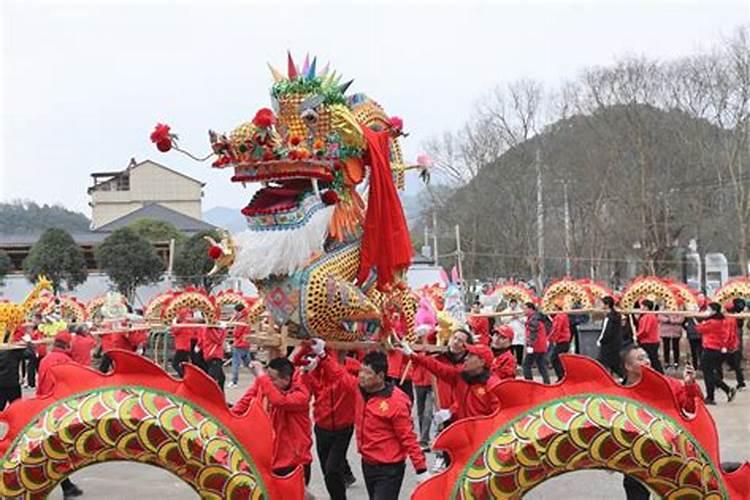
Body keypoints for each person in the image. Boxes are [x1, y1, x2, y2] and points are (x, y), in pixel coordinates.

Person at [314, 345, 427, 500]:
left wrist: (421, 469)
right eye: (361, 371)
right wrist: (322, 354)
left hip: (389, 469)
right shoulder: (359, 390)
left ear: (380, 376)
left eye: (367, 373)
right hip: (368, 463)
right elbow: (339, 374)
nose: (361, 376)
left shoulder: (396, 401)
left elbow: (408, 437)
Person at [619, 344, 702, 499]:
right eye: (640, 358)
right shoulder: (617, 393)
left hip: (664, 454)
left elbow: (691, 408)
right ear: (628, 366)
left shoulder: (666, 385)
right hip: (633, 459)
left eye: (647, 357)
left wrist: (689, 385)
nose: (647, 361)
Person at [233, 357, 314, 485]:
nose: (269, 382)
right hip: (273, 459)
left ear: (286, 379)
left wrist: (261, 376)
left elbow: (279, 401)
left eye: (273, 379)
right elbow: (247, 400)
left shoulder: (301, 395)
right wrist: (228, 416)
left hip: (295, 462)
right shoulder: (267, 386)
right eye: (268, 378)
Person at [292, 345, 358, 499]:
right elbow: (294, 363)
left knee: (332, 469)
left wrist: (323, 356)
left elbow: (346, 381)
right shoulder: (317, 368)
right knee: (328, 473)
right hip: (322, 427)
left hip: (343, 428)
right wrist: (305, 347)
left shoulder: (351, 365)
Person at [399, 341, 501, 422]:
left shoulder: (493, 385)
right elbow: (438, 368)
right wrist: (412, 355)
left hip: (483, 437)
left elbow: (498, 414)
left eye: (470, 356)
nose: (465, 358)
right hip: (463, 431)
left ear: (481, 362)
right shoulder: (460, 375)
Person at [37, 331, 84, 499]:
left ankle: (67, 486)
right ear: (66, 345)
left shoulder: (44, 360)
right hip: (60, 409)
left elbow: (41, 385)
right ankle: (64, 487)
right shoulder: (66, 361)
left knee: (53, 449)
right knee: (56, 451)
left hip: (45, 407)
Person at [695, 302, 736, 405]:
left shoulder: (712, 322)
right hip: (717, 349)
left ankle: (711, 396)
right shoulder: (722, 321)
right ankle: (726, 389)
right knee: (709, 372)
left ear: (713, 310)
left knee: (708, 373)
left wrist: (694, 320)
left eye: (709, 309)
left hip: (710, 349)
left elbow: (699, 329)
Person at [0, 333, 33, 409]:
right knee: (17, 408)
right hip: (13, 384)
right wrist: (28, 343)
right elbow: (31, 355)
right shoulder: (15, 351)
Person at [522, 302, 550, 384]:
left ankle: (529, 383)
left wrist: (529, 346)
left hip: (535, 346)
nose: (523, 310)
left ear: (530, 309)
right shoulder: (538, 318)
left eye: (525, 308)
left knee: (526, 365)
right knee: (541, 365)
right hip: (541, 345)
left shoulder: (533, 319)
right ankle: (547, 382)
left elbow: (532, 334)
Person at [596, 296, 623, 377]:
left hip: (608, 344)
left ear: (607, 305)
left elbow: (606, 331)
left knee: (604, 363)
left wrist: (601, 340)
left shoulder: (610, 317)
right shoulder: (615, 315)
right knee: (613, 364)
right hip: (614, 344)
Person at [228, 303, 253, 388]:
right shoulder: (247, 319)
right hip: (246, 344)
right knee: (249, 363)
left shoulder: (241, 321)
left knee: (235, 364)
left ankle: (234, 382)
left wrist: (233, 322)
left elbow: (236, 333)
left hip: (239, 344)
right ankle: (259, 377)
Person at [635, 300, 664, 373]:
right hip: (651, 341)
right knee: (654, 360)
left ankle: (660, 374)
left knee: (653, 360)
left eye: (642, 306)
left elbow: (645, 330)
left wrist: (637, 336)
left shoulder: (648, 316)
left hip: (648, 341)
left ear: (646, 307)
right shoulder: (651, 316)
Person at [723, 301, 746, 391]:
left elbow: (728, 333)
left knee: (732, 364)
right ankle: (741, 382)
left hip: (730, 344)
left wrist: (725, 343)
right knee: (736, 365)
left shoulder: (729, 319)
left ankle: (740, 382)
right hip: (734, 343)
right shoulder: (736, 317)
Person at [201, 321, 227, 392]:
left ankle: (221, 398)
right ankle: (208, 397)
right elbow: (219, 340)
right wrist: (223, 329)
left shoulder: (212, 328)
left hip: (215, 355)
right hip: (213, 355)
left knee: (221, 378)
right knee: (212, 379)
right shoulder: (210, 329)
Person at [548, 308, 572, 382]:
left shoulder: (559, 317)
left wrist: (550, 339)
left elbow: (556, 329)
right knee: (559, 359)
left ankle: (561, 376)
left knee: (554, 359)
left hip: (561, 340)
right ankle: (563, 376)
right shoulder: (563, 315)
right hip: (564, 340)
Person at [170, 308, 194, 377]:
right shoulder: (188, 323)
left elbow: (175, 331)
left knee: (175, 363)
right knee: (184, 365)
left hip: (181, 347)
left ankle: (183, 376)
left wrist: (174, 321)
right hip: (186, 346)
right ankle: (184, 377)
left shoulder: (182, 324)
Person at [506, 299, 526, 367]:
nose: (513, 305)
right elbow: (503, 320)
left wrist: (518, 317)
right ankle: (511, 363)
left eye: (514, 303)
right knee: (510, 348)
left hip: (519, 332)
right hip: (510, 331)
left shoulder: (521, 311)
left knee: (519, 348)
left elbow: (525, 320)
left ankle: (519, 363)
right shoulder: (506, 311)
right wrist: (511, 317)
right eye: (512, 303)